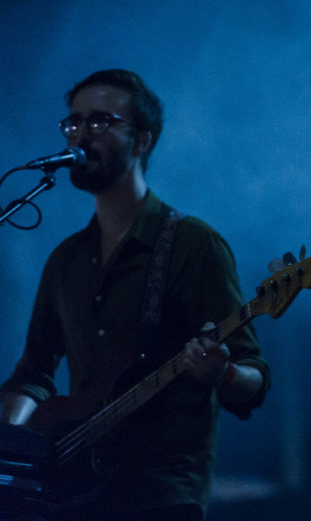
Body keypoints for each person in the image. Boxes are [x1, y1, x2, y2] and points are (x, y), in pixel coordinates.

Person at [0, 70, 270, 521]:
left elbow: (254, 377)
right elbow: (33, 372)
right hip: (72, 493)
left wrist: (222, 373)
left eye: (100, 122)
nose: (82, 133)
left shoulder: (192, 244)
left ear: (142, 141)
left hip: (159, 497)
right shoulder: (65, 260)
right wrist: (14, 438)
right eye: (74, 123)